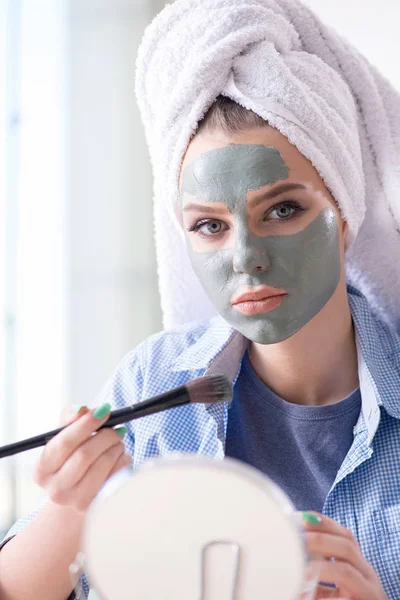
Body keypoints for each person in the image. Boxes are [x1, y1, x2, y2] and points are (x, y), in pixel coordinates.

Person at [1, 0, 400, 598]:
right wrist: (68, 509)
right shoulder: (153, 385)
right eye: (209, 226)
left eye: (284, 209)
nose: (244, 257)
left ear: (345, 217)